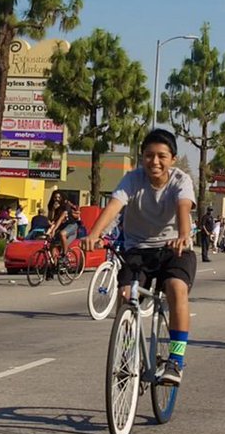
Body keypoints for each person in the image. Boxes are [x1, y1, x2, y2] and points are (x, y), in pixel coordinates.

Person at [82, 129, 196, 386]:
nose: (154, 162)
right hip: (138, 251)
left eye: (161, 156)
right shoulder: (132, 180)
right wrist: (94, 234)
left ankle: (175, 361)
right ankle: (126, 354)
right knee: (126, 294)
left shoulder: (181, 180)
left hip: (174, 249)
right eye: (148, 156)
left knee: (176, 288)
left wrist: (183, 235)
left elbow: (183, 207)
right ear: (141, 157)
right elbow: (114, 205)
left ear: (172, 159)